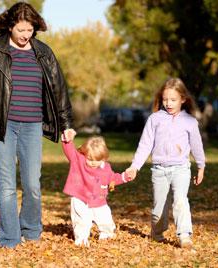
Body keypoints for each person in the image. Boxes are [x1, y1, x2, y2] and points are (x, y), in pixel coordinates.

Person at [0, 2, 74, 248]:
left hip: (32, 125)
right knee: (6, 184)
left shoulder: (44, 53)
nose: (26, 35)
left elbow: (59, 90)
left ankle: (31, 231)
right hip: (2, 125)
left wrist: (66, 122)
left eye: (30, 30)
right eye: (21, 30)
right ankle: (9, 239)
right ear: (9, 26)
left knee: (32, 184)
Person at [126, 78, 205, 248]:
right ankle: (157, 232)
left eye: (173, 100)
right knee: (159, 207)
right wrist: (135, 166)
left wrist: (201, 166)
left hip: (181, 169)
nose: (168, 103)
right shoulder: (155, 119)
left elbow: (197, 146)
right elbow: (145, 144)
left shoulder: (190, 122)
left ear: (183, 99)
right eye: (165, 99)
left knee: (180, 200)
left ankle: (184, 235)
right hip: (159, 170)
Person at [61, 130, 132, 246]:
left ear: (103, 158)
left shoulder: (105, 168)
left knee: (106, 219)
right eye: (90, 159)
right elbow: (70, 152)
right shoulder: (78, 161)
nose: (93, 162)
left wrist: (125, 177)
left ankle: (107, 235)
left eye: (97, 160)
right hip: (80, 198)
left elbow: (112, 178)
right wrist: (67, 140)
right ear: (84, 154)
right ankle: (81, 240)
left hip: (99, 199)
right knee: (81, 220)